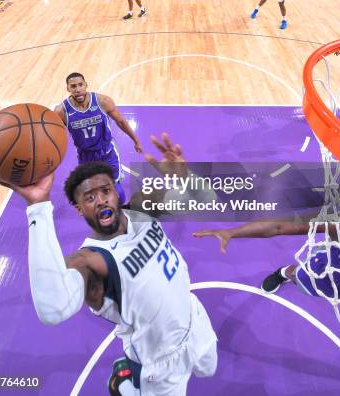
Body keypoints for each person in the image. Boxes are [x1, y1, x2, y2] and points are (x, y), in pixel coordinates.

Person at [11, 133, 217, 396]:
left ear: (116, 193)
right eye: (89, 197)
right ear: (78, 209)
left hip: (195, 319)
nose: (101, 200)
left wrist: (187, 178)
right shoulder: (90, 261)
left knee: (208, 369)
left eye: (105, 190)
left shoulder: (144, 207)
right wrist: (38, 207)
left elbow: (206, 201)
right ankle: (127, 383)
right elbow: (52, 310)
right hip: (159, 360)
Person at [194, 220, 340, 396]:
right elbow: (279, 228)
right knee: (298, 277)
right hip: (327, 274)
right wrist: (231, 232)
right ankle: (283, 272)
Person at [54, 72, 143, 204]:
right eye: (73, 86)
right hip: (86, 157)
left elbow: (121, 122)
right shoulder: (61, 111)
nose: (78, 89)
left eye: (80, 85)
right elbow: (54, 136)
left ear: (86, 85)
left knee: (118, 193)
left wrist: (136, 140)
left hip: (107, 153)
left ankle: (122, 215)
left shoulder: (103, 101)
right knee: (92, 191)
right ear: (68, 89)